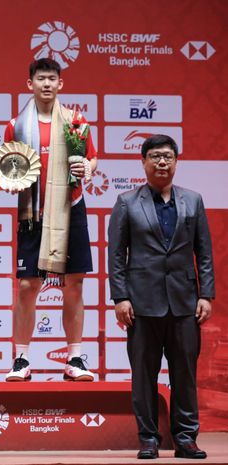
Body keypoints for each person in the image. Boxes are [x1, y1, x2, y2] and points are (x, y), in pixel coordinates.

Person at [108, 134, 214, 459]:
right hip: (140, 305)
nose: (162, 162)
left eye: (168, 156)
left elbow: (204, 253)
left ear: (177, 161)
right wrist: (120, 298)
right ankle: (149, 439)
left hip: (184, 304)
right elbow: (116, 255)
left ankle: (185, 439)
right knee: (144, 375)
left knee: (185, 374)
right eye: (155, 156)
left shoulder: (193, 201)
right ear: (143, 162)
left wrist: (206, 295)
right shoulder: (127, 202)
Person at [3, 58, 97, 382]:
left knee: (75, 284)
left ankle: (74, 358)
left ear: (60, 84)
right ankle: (21, 359)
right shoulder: (16, 125)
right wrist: (6, 179)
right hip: (33, 212)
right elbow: (6, 168)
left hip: (71, 207)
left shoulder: (75, 121)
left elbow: (91, 157)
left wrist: (89, 168)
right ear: (29, 84)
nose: (46, 83)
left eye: (52, 78)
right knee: (28, 286)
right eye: (40, 78)